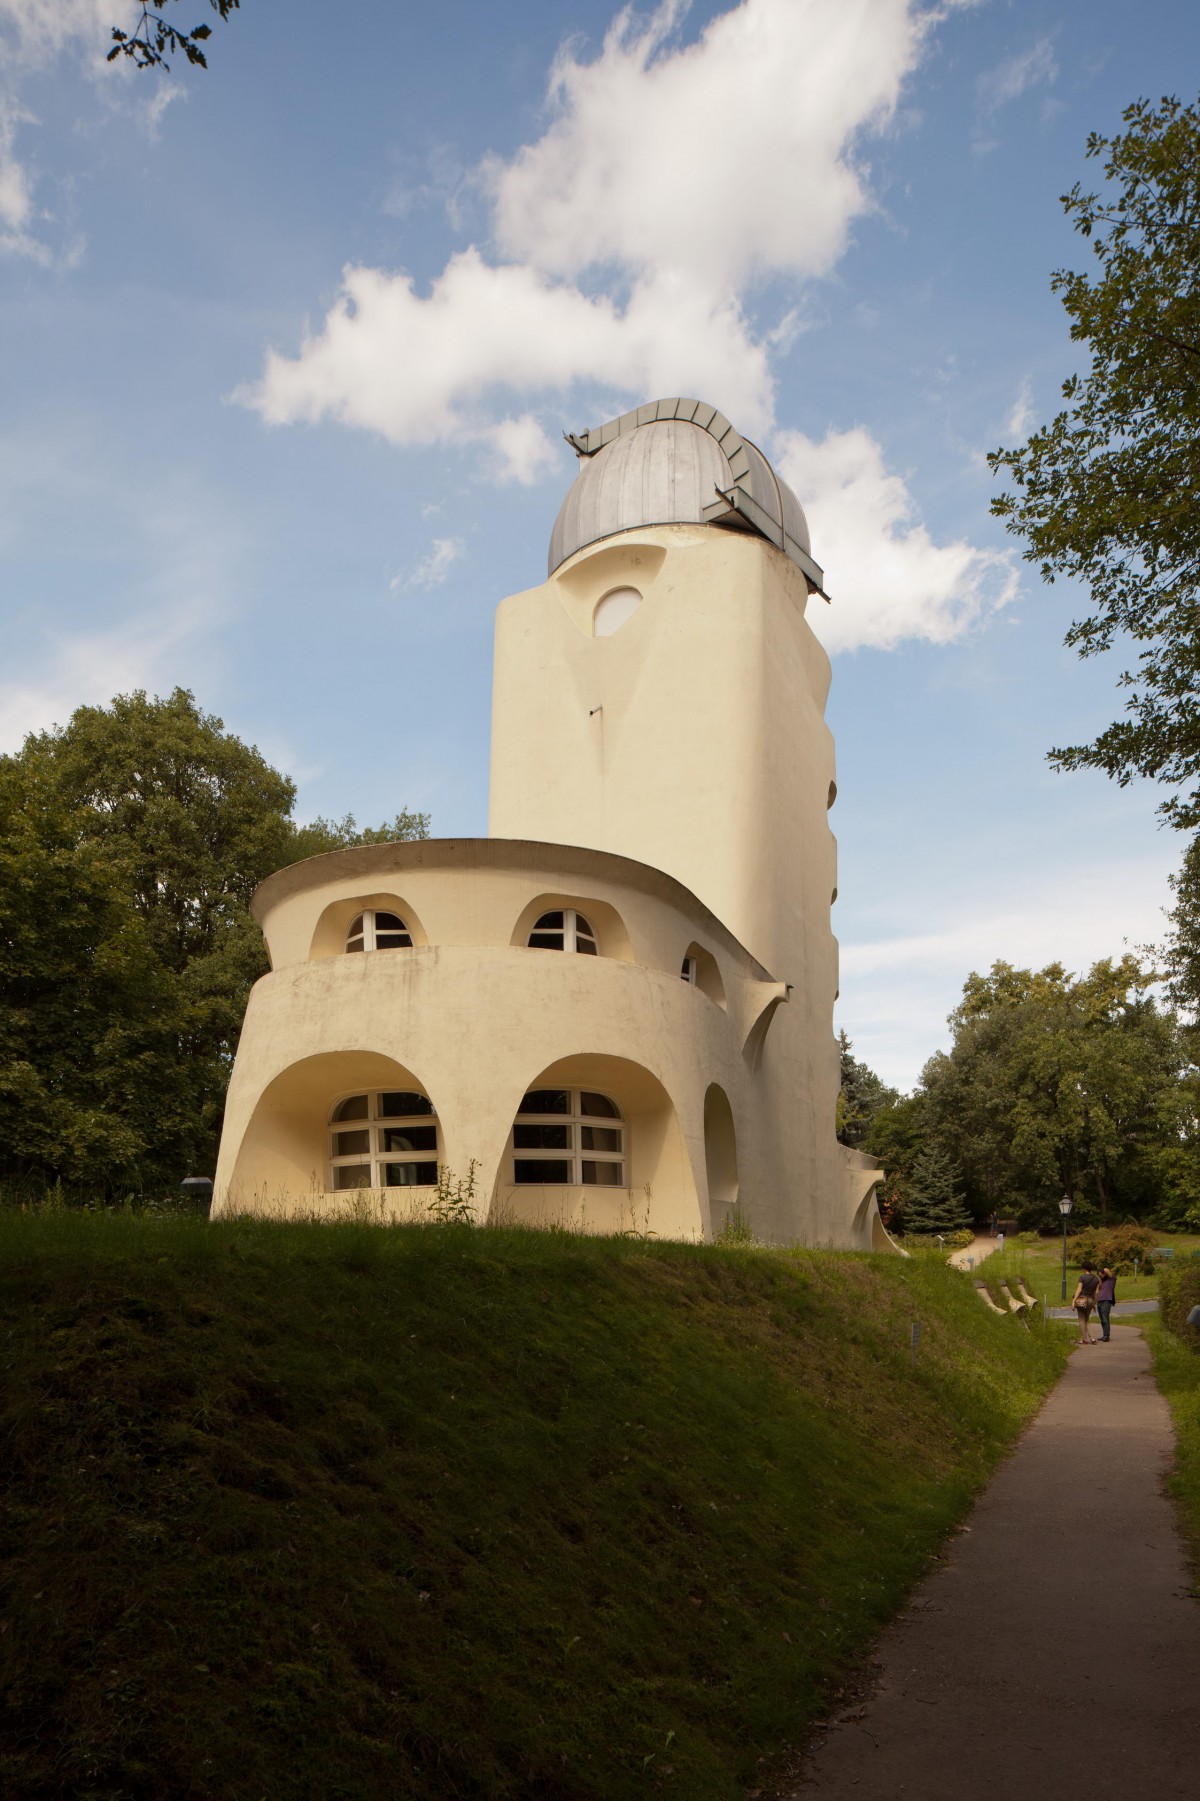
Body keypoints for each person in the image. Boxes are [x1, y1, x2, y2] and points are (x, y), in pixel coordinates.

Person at [1072, 1263, 1100, 1344]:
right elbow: (1096, 1292)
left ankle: (1084, 1339)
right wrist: (1094, 1303)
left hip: (1082, 1300)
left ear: (1084, 1269)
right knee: (1087, 1319)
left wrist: (1074, 1300)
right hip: (1091, 1300)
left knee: (1081, 1319)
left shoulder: (1082, 1277)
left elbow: (1079, 1289)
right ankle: (1093, 1339)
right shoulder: (1096, 1279)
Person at [1096, 1266, 1117, 1341]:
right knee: (1102, 1319)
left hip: (1106, 1300)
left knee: (1105, 1318)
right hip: (1099, 1300)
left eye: (1101, 1275)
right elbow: (1097, 1292)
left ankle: (1106, 1336)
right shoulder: (1102, 1282)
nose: (1100, 1277)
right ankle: (1104, 1334)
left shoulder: (1112, 1279)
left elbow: (1106, 1270)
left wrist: (1102, 1272)